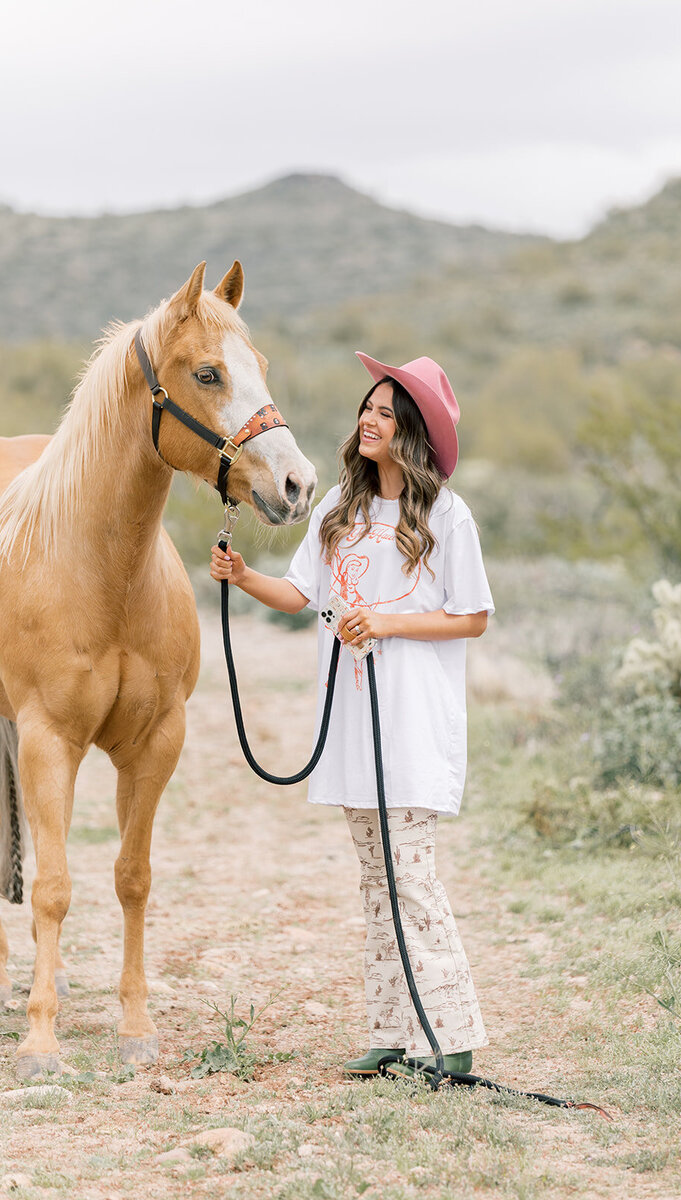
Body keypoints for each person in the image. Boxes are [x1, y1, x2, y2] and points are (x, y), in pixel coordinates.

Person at [210, 351, 494, 1079]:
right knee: (375, 881)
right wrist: (244, 579)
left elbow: (472, 619)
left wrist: (388, 625)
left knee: (413, 879)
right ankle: (390, 1031)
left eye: (385, 412)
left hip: (411, 721)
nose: (368, 419)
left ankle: (454, 1037)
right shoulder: (340, 508)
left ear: (412, 431)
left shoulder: (445, 515)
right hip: (351, 718)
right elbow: (303, 595)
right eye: (366, 408)